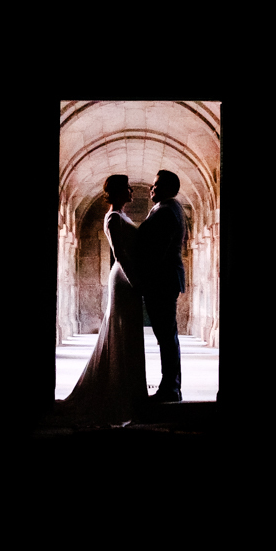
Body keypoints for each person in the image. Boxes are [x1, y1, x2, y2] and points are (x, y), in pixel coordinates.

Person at [56, 175, 147, 425]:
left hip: (128, 277)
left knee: (129, 333)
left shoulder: (122, 216)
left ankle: (132, 393)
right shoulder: (113, 217)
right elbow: (119, 253)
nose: (131, 191)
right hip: (123, 278)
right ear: (118, 191)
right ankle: (120, 393)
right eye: (127, 187)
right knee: (122, 333)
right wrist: (135, 281)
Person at [136, 170, 186, 403]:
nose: (151, 189)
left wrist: (144, 278)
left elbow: (156, 251)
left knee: (165, 336)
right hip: (164, 280)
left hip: (162, 281)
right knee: (167, 336)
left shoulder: (166, 211)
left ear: (168, 188)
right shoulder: (168, 208)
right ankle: (171, 385)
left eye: (156, 185)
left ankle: (170, 388)